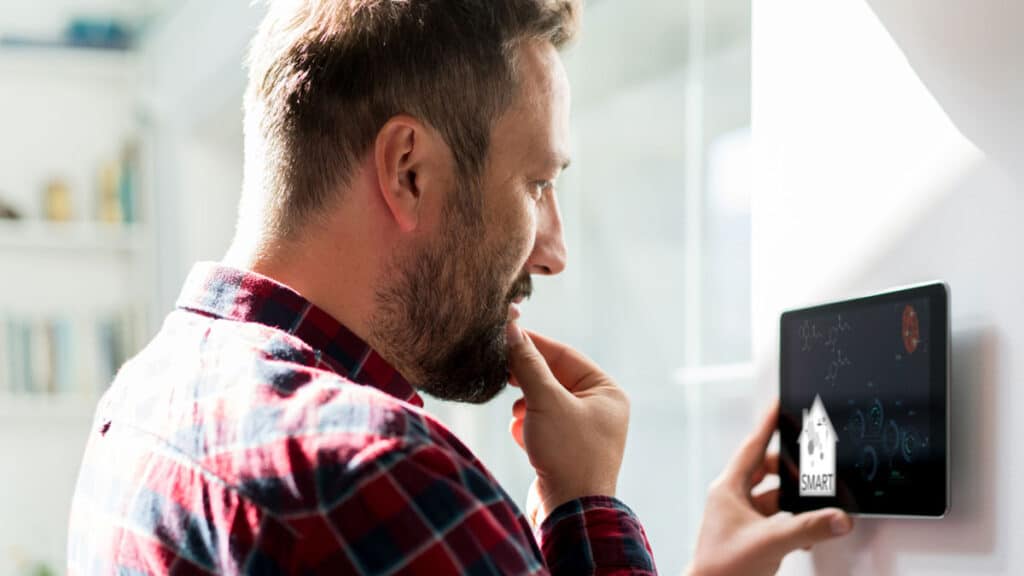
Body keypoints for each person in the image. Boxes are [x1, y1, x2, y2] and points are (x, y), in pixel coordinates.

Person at [68, 1, 853, 574]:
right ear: (408, 170)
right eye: (537, 184)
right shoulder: (380, 475)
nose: (555, 254)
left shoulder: (145, 395)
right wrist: (587, 508)